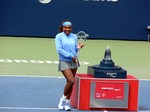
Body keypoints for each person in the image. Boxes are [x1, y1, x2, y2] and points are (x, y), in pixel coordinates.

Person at [55, 20, 84, 111]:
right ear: (63, 28)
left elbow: (75, 49)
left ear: (71, 28)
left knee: (71, 83)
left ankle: (67, 103)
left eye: (69, 28)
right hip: (64, 61)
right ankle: (62, 100)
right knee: (71, 80)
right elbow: (59, 50)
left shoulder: (74, 37)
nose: (67, 29)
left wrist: (78, 48)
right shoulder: (59, 36)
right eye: (65, 27)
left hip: (74, 61)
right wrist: (70, 56)